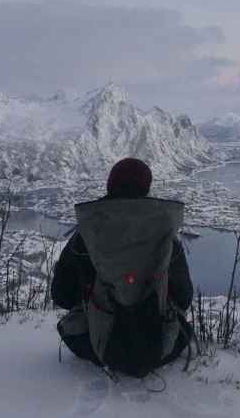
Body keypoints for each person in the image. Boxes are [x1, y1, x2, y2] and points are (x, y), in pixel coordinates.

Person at [52, 158, 194, 377]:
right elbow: (184, 297)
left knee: (67, 327)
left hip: (98, 347)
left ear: (110, 186)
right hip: (159, 348)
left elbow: (61, 294)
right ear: (146, 189)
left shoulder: (86, 238)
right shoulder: (166, 240)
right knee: (185, 330)